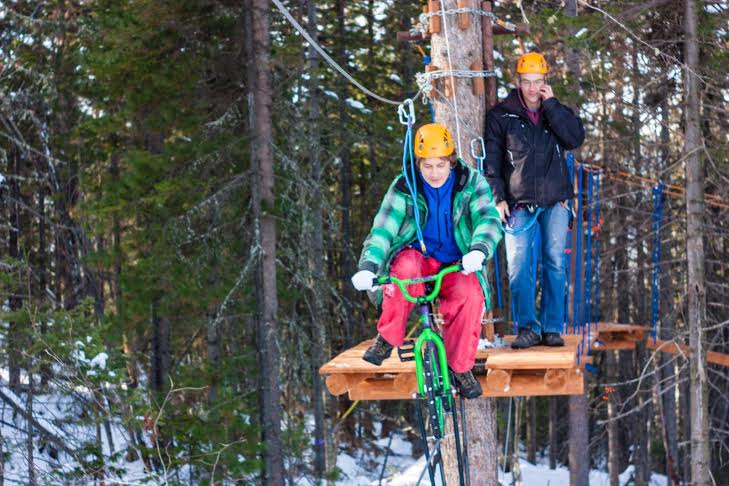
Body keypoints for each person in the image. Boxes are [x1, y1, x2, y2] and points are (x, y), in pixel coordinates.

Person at [350, 123, 502, 398]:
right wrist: (368, 264)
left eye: (440, 165)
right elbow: (384, 228)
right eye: (427, 166)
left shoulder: (470, 182)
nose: (434, 173)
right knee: (403, 271)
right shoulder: (404, 186)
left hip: (458, 261)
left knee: (469, 295)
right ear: (418, 164)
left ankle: (459, 367)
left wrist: (479, 249)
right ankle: (388, 337)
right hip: (418, 256)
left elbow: (488, 218)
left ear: (451, 162)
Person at [484, 52, 585, 349]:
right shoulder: (502, 115)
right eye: (526, 82)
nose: (532, 88)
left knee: (554, 264)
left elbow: (574, 139)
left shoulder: (556, 112)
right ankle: (528, 327)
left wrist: (551, 105)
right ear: (518, 82)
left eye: (538, 82)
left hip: (556, 201)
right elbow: (491, 161)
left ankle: (552, 327)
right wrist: (497, 197)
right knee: (519, 266)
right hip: (518, 203)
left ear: (545, 82)